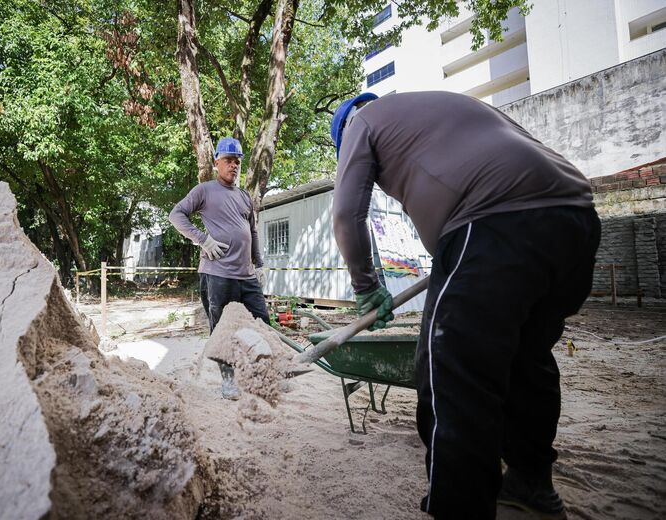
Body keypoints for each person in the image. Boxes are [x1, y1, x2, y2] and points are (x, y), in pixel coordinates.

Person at [330, 91, 600, 520]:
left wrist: (366, 286)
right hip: (576, 220)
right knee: (527, 359)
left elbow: (346, 214)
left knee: (452, 370)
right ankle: (531, 484)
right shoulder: (441, 110)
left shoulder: (361, 123)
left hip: (495, 218)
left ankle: (460, 508)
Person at [169, 137, 268, 400]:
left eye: (237, 161)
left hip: (247, 275)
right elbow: (176, 215)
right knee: (223, 330)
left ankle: (265, 377)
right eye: (228, 160)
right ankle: (229, 382)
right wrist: (203, 239)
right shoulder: (205, 191)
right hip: (218, 274)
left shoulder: (244, 197)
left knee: (262, 324)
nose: (233, 165)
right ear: (217, 163)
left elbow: (252, 232)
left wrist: (259, 265)